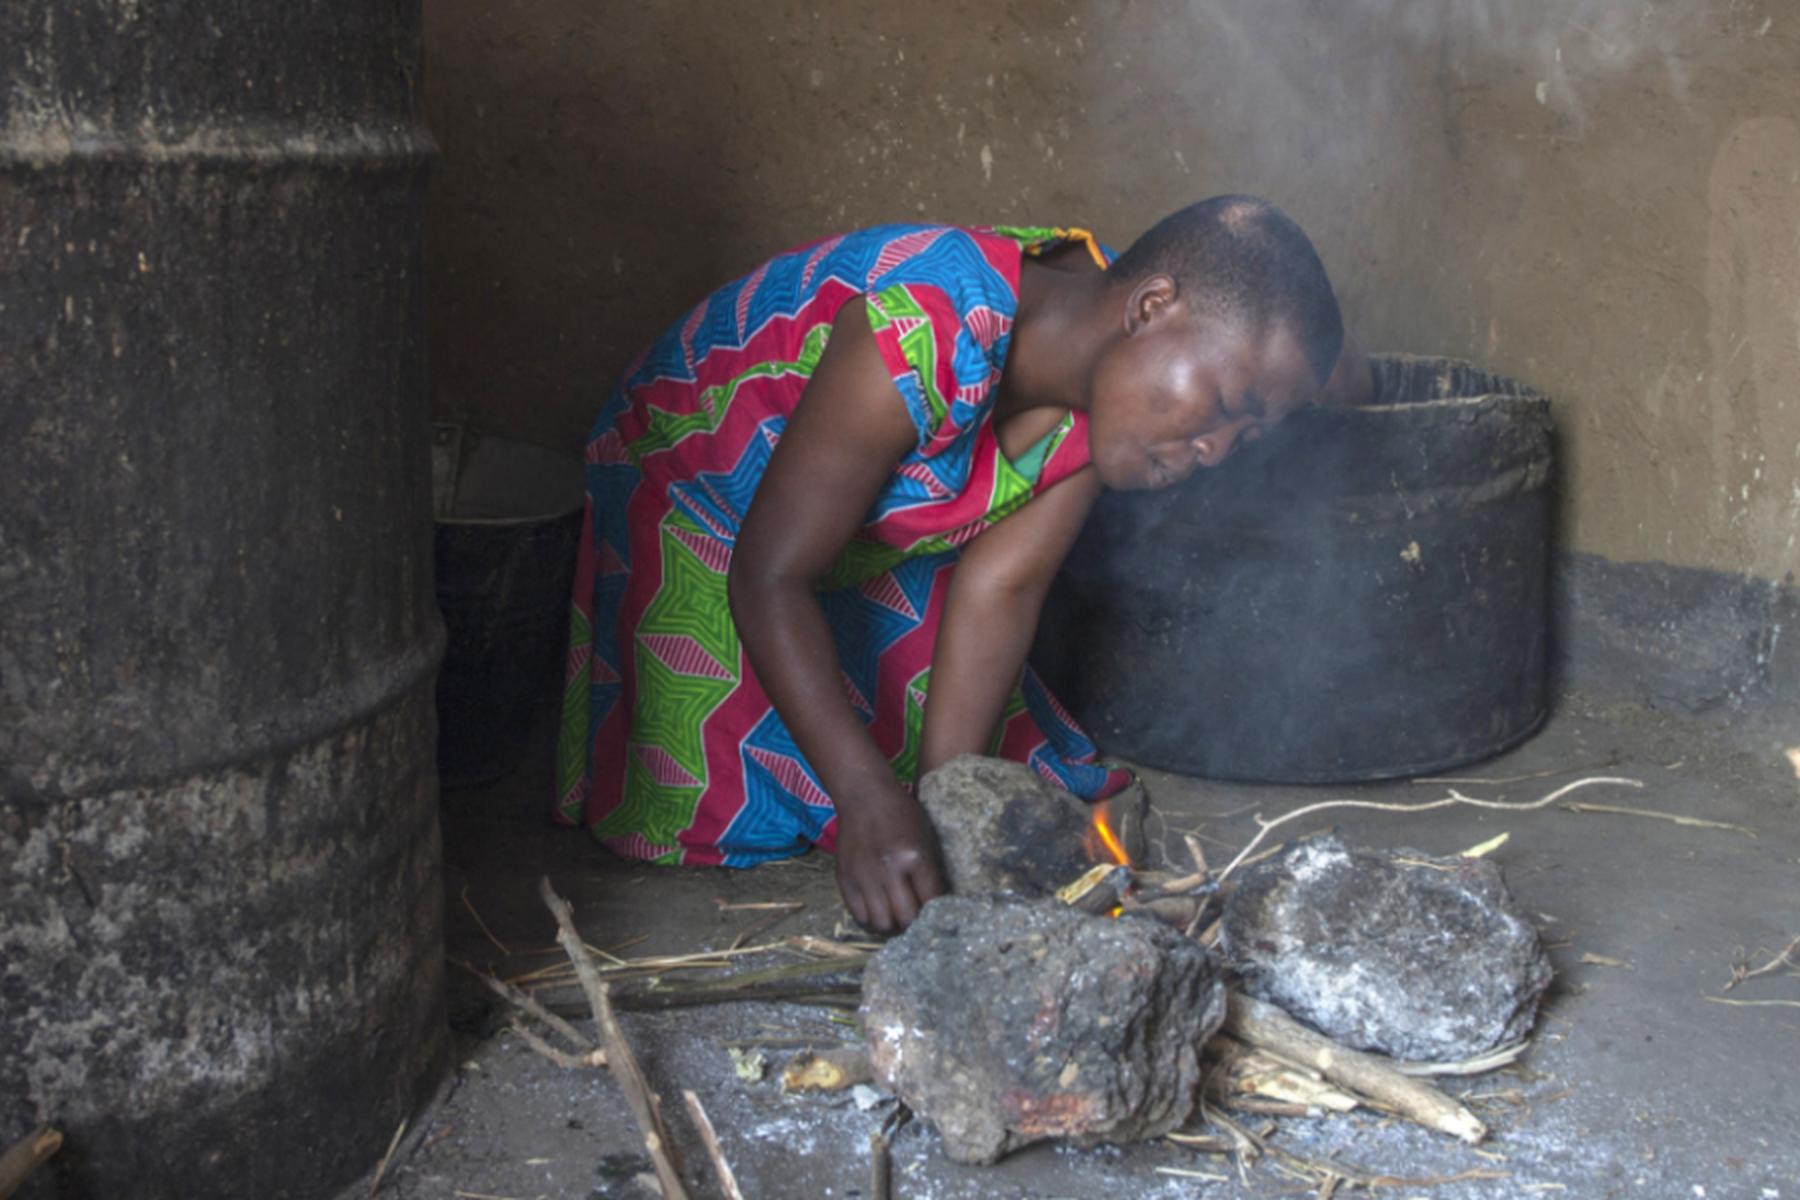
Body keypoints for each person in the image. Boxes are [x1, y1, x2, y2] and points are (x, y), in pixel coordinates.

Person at [557, 195, 1369, 932]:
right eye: (1226, 408)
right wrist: (870, 800)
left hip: (867, 543)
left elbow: (1001, 582)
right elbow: (768, 576)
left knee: (980, 780)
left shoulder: (1109, 391)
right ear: (1151, 308)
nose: (1218, 451)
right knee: (759, 803)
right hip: (706, 510)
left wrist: (949, 809)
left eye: (1247, 437)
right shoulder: (921, 331)